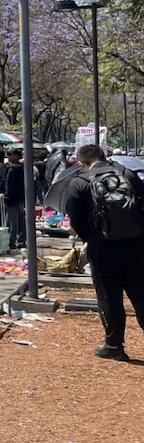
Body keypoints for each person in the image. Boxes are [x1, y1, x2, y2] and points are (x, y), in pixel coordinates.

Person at [64, 145, 144, 361]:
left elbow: (76, 219)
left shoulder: (79, 182)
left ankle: (114, 345)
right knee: (141, 293)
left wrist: (89, 239)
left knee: (109, 296)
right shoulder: (127, 174)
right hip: (136, 244)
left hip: (102, 248)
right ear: (104, 156)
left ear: (81, 162)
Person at [4, 149, 27, 249]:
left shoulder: (12, 169)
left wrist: (7, 197)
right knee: (21, 220)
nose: (8, 157)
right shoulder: (24, 168)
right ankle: (22, 239)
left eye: (9, 155)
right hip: (22, 198)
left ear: (15, 156)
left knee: (12, 222)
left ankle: (11, 242)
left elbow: (9, 185)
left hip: (12, 199)